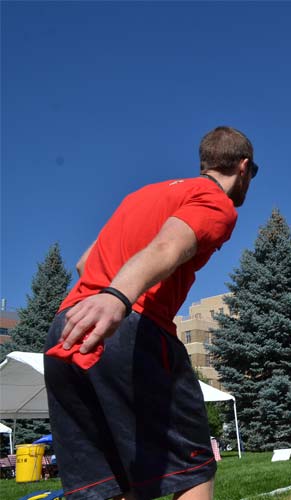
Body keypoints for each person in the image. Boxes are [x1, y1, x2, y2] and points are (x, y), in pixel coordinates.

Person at [43, 126, 258, 500]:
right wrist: (115, 298)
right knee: (192, 471)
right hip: (126, 324)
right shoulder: (214, 202)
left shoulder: (141, 196)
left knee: (107, 485)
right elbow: (167, 246)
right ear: (243, 167)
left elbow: (83, 263)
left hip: (66, 331)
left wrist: (104, 295)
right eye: (252, 174)